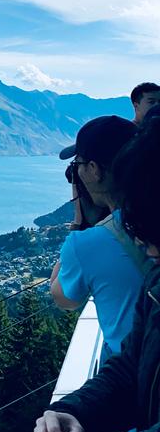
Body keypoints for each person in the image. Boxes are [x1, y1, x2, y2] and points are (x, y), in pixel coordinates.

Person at [9, 122, 160, 432]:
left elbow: (65, 296)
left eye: (152, 234)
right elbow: (131, 365)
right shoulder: (157, 281)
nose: (144, 247)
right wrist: (74, 410)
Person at [50, 116, 146, 357]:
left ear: (94, 170)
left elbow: (63, 298)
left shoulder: (88, 243)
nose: (77, 173)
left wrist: (79, 222)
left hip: (133, 378)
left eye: (77, 164)